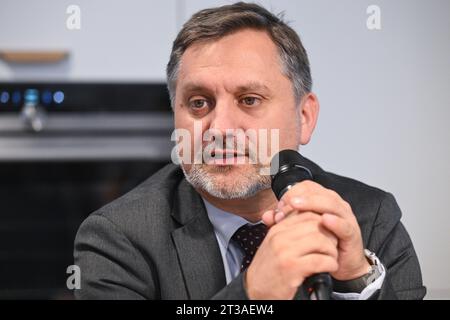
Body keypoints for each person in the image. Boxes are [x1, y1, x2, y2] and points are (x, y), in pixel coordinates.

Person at [74, 2, 425, 300]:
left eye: (249, 100)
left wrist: (355, 282)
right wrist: (253, 293)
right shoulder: (118, 238)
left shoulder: (370, 219)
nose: (220, 128)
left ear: (304, 117)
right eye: (198, 103)